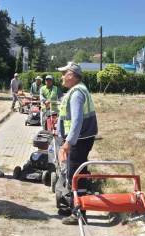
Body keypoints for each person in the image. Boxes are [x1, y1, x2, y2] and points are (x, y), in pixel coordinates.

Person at [56, 62, 98, 225]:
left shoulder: (76, 93)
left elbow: (77, 120)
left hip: (78, 140)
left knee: (75, 176)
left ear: (71, 75)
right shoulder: (79, 90)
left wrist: (68, 142)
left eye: (64, 73)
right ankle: (76, 205)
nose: (61, 76)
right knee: (79, 173)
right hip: (82, 138)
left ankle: (78, 213)